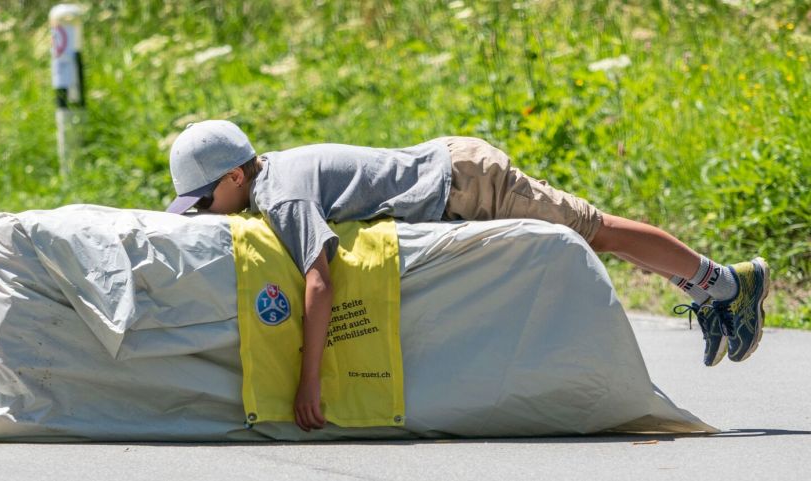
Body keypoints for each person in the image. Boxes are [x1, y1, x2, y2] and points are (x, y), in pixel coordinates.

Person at [166, 119, 770, 432]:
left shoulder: (280, 196)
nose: (199, 213)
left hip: (464, 180)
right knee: (589, 232)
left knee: (594, 230)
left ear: (235, 178)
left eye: (200, 201)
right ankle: (713, 293)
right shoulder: (274, 175)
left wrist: (308, 384)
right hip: (451, 174)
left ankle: (727, 284)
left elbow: (319, 282)